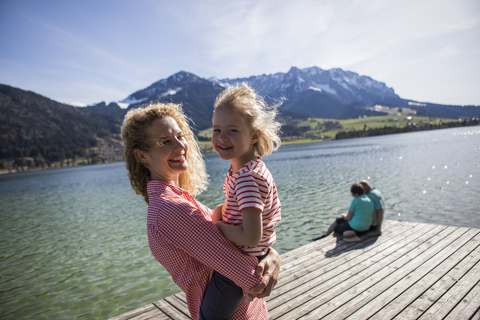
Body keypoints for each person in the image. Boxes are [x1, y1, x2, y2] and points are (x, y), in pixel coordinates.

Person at [121, 102, 281, 320]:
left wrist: (272, 255)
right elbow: (250, 277)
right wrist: (271, 259)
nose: (180, 146)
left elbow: (240, 244)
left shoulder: (177, 200)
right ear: (142, 156)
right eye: (165, 142)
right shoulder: (170, 209)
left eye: (180, 136)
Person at [209, 83, 282, 309]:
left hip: (240, 265)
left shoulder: (247, 177)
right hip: (250, 259)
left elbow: (251, 237)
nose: (222, 137)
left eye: (232, 130)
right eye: (216, 129)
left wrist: (218, 227)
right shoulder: (246, 170)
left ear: (254, 136)